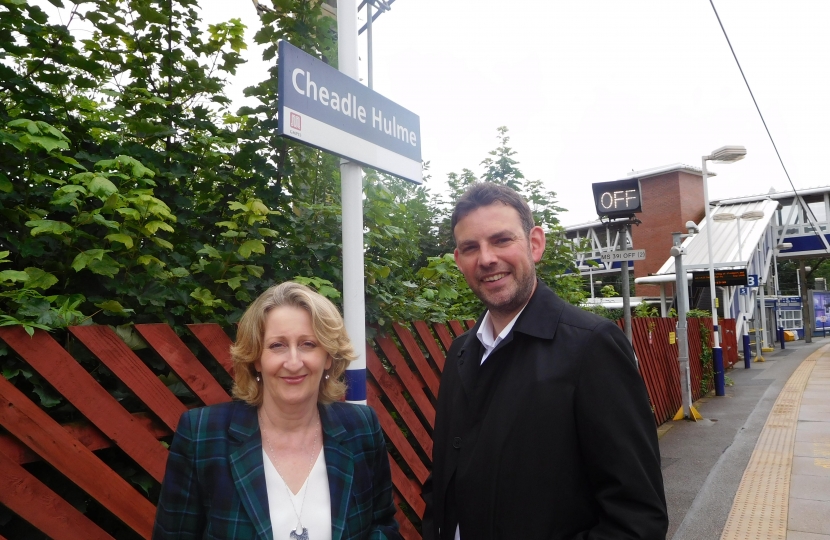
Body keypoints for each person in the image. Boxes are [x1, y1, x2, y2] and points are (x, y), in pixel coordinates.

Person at [421, 183, 668, 540]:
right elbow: (444, 478)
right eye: (470, 247)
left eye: (502, 240)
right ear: (459, 260)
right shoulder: (461, 352)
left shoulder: (591, 348)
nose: (486, 258)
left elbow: (637, 519)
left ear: (535, 244)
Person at [153, 282, 401, 540]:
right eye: (277, 346)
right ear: (256, 359)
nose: (293, 362)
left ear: (329, 357)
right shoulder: (202, 435)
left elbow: (382, 524)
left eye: (308, 344)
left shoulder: (361, 427)